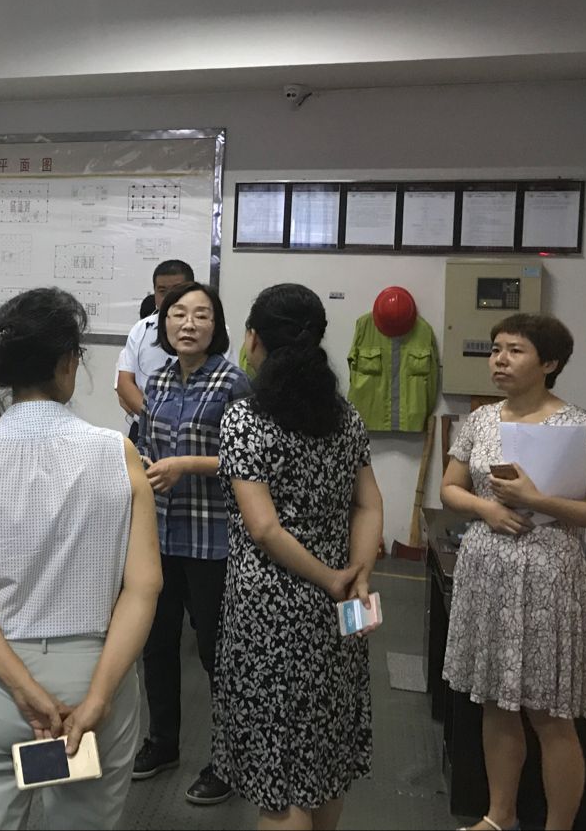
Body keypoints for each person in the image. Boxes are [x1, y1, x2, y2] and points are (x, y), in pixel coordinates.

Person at [0, 287, 162, 830]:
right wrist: (99, 695)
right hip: (93, 675)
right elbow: (143, 587)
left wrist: (22, 688)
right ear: (66, 363)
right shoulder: (118, 455)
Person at [440, 314, 586, 831]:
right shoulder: (481, 420)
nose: (500, 359)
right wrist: (487, 508)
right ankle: (500, 816)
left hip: (548, 577)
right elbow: (449, 488)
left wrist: (538, 500)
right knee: (496, 702)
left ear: (549, 363)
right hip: (487, 571)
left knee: (549, 713)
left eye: (515, 350)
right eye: (496, 349)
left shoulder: (582, 427)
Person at [213, 283, 383, 831]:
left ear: (254, 339)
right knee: (323, 759)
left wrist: (331, 577)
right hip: (339, 607)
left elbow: (264, 528)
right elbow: (368, 504)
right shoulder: (344, 417)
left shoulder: (245, 420)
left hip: (269, 609)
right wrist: (358, 576)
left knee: (279, 785)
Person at [132, 282, 250, 803]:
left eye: (201, 315)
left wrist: (185, 465)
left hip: (212, 538)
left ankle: (227, 761)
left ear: (216, 326)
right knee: (157, 645)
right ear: (164, 324)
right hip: (158, 534)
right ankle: (163, 743)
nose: (188, 324)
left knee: (215, 653)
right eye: (178, 314)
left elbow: (248, 460)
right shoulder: (157, 380)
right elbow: (145, 443)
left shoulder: (233, 382)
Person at [116, 260, 195, 440]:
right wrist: (158, 419)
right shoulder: (141, 329)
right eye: (162, 291)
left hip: (194, 432)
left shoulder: (213, 329)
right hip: (145, 427)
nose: (170, 297)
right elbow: (125, 383)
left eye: (177, 290)